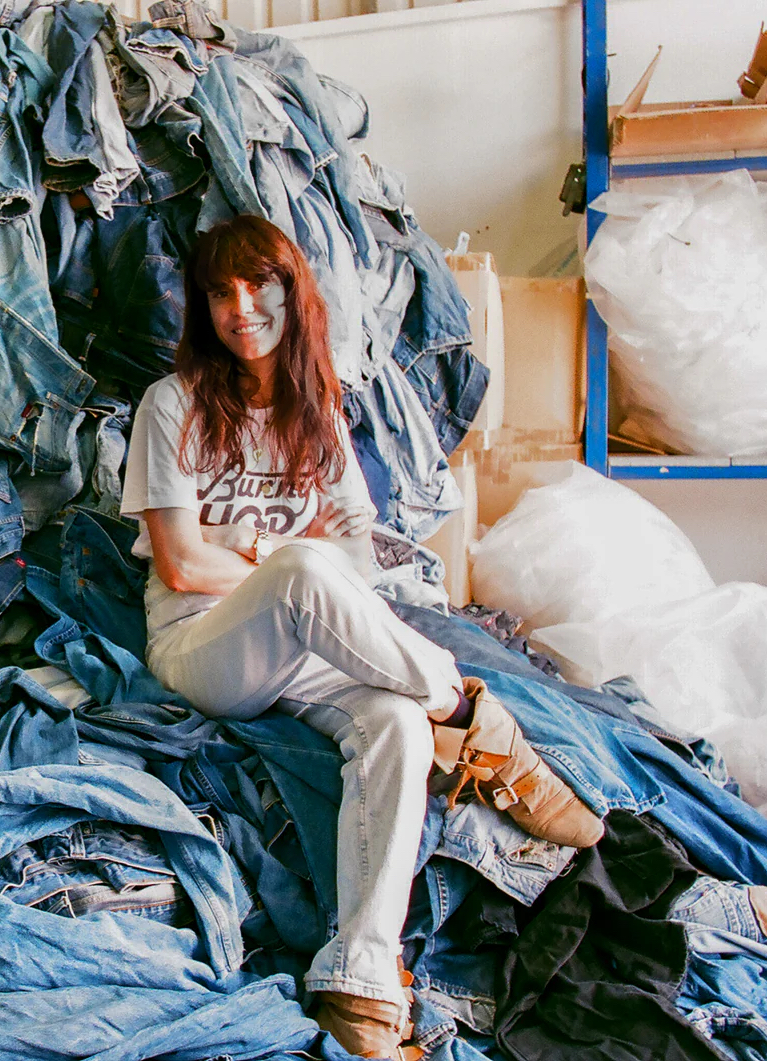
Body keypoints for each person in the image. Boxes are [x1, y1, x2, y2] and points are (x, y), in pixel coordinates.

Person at [119, 215, 604, 1060]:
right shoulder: (174, 406)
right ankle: (483, 727)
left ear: (289, 290)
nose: (240, 307)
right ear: (203, 306)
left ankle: (361, 983)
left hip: (303, 645)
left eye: (256, 286)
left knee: (395, 723)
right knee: (306, 572)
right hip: (203, 647)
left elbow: (353, 559)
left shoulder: (320, 408)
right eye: (220, 292)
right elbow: (185, 564)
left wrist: (268, 555)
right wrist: (281, 557)